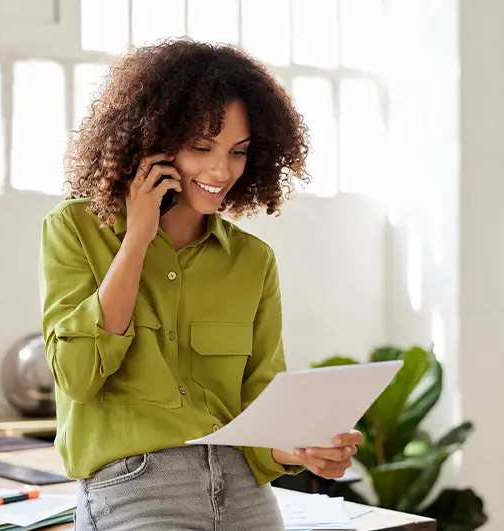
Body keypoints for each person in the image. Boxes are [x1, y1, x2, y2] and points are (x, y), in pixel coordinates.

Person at [40, 39, 362, 530]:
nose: (221, 171)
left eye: (238, 152)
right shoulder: (77, 230)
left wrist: (301, 448)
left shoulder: (252, 261)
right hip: (134, 489)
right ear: (152, 143)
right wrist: (138, 237)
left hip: (243, 492)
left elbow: (260, 404)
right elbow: (78, 376)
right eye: (201, 148)